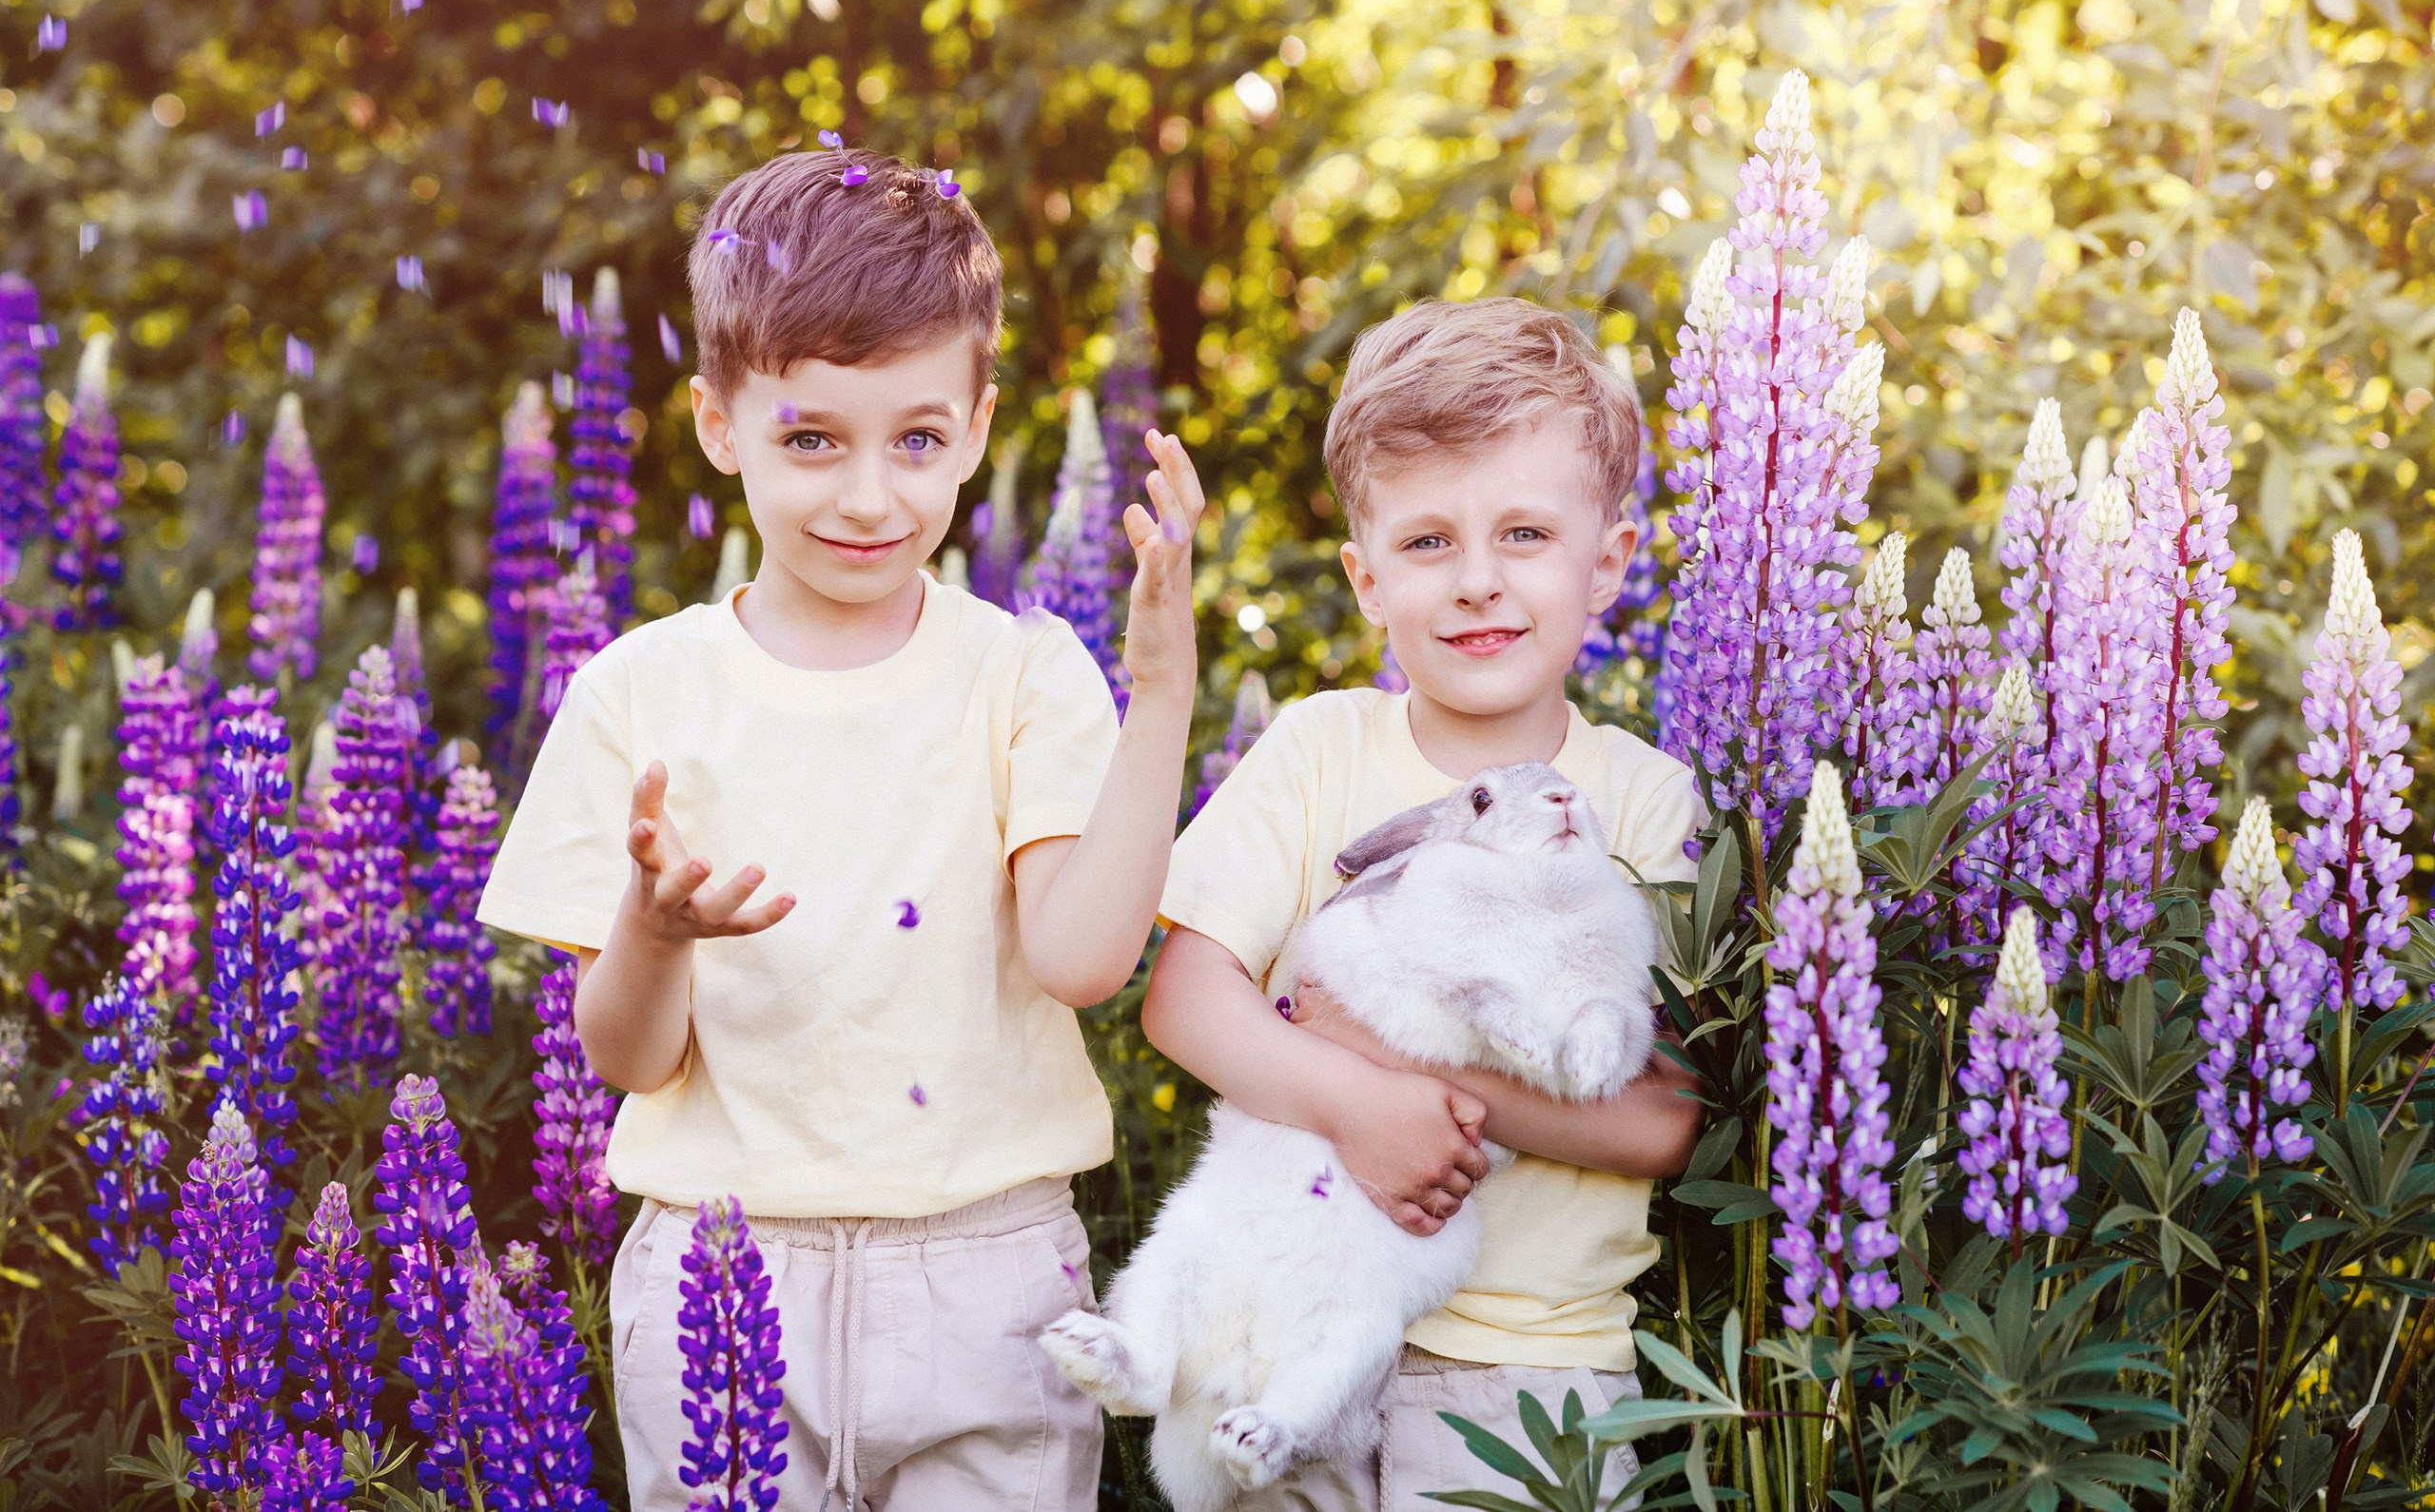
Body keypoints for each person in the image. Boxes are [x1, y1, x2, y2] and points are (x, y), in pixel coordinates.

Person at [478, 145, 1205, 1512]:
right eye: (811, 439)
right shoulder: (638, 690)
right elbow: (627, 1058)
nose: (869, 496)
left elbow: (1085, 960)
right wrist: (655, 931)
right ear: (718, 423)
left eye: (916, 441)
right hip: (719, 1264)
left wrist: (1160, 693)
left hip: (989, 1271)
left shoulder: (1024, 673)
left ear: (977, 431)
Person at [1146, 297, 1705, 1509]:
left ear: (1609, 561)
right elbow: (1184, 1000)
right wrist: (1353, 1108)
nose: (1477, 582)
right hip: (1284, 1326)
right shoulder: (1316, 751)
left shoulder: (1645, 801)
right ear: (1365, 578)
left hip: (1534, 1369)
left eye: (1524, 534)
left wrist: (1393, 1073)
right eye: (1428, 542)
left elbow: (1661, 1120)